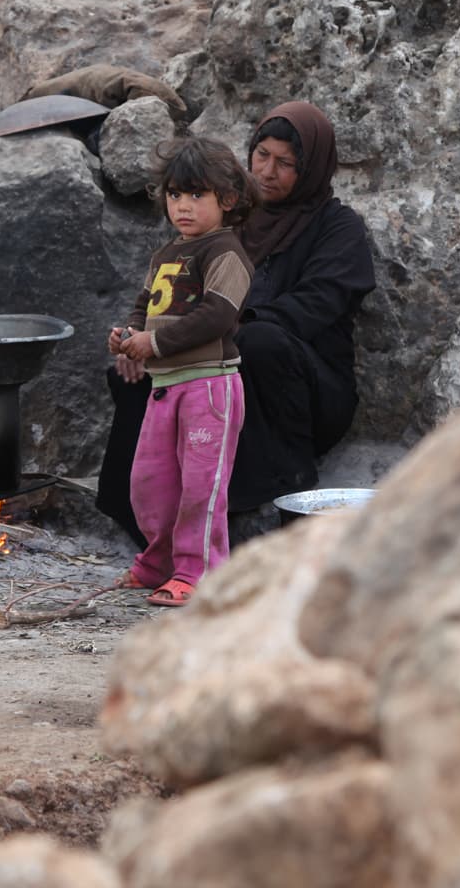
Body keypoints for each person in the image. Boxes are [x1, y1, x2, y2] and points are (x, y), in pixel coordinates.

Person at [96, 101, 376, 542]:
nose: (267, 171)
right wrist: (142, 341)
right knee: (141, 371)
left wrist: (220, 331)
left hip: (303, 387)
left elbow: (316, 304)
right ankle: (144, 518)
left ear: (312, 168)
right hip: (214, 365)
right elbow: (173, 296)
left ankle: (271, 489)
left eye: (285, 163)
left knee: (261, 342)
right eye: (261, 154)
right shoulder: (229, 221)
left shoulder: (337, 228)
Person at [106, 137, 255, 607]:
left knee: (201, 487)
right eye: (175, 195)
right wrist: (128, 338)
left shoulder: (225, 253)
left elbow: (218, 316)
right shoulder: (166, 255)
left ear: (227, 200)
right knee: (151, 483)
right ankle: (158, 561)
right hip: (165, 388)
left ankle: (198, 572)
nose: (183, 207)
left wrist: (155, 342)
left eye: (196, 195)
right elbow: (143, 307)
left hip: (210, 387)